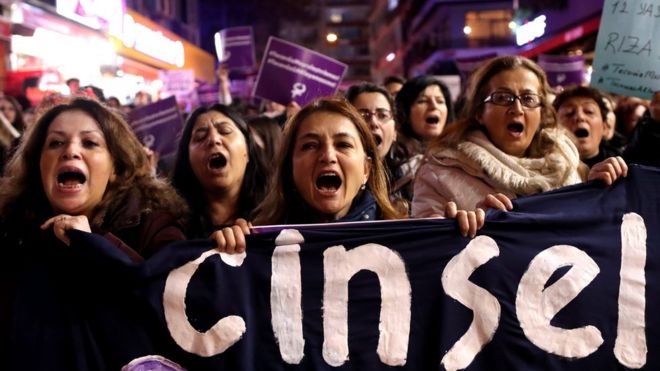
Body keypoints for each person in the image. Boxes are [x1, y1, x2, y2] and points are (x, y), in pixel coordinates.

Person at [0, 97, 189, 369]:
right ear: (38, 164)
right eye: (55, 143)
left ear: (115, 168)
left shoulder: (153, 227)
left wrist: (97, 244)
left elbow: (173, 308)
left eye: (89, 143)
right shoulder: (11, 235)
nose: (70, 151)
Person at [412, 55, 628, 218]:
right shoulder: (438, 175)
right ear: (479, 112)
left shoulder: (570, 167)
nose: (517, 108)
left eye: (528, 98)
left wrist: (595, 195)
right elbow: (426, 254)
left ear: (542, 111)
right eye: (502, 97)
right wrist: (455, 233)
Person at [171, 104, 269, 239]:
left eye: (225, 131)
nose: (213, 139)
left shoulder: (278, 215)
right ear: (187, 159)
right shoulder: (171, 228)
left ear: (248, 150)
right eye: (200, 137)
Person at [345, 83, 408, 211]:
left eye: (382, 115)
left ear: (395, 131)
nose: (373, 123)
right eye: (363, 115)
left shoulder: (411, 178)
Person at [394, 75, 455, 200]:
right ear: (404, 111)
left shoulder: (461, 158)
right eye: (422, 101)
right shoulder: (392, 160)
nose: (434, 106)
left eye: (440, 101)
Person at [554, 85, 621, 167]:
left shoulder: (626, 169)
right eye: (569, 113)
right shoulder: (543, 170)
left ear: (605, 127)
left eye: (589, 111)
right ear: (554, 128)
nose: (580, 117)